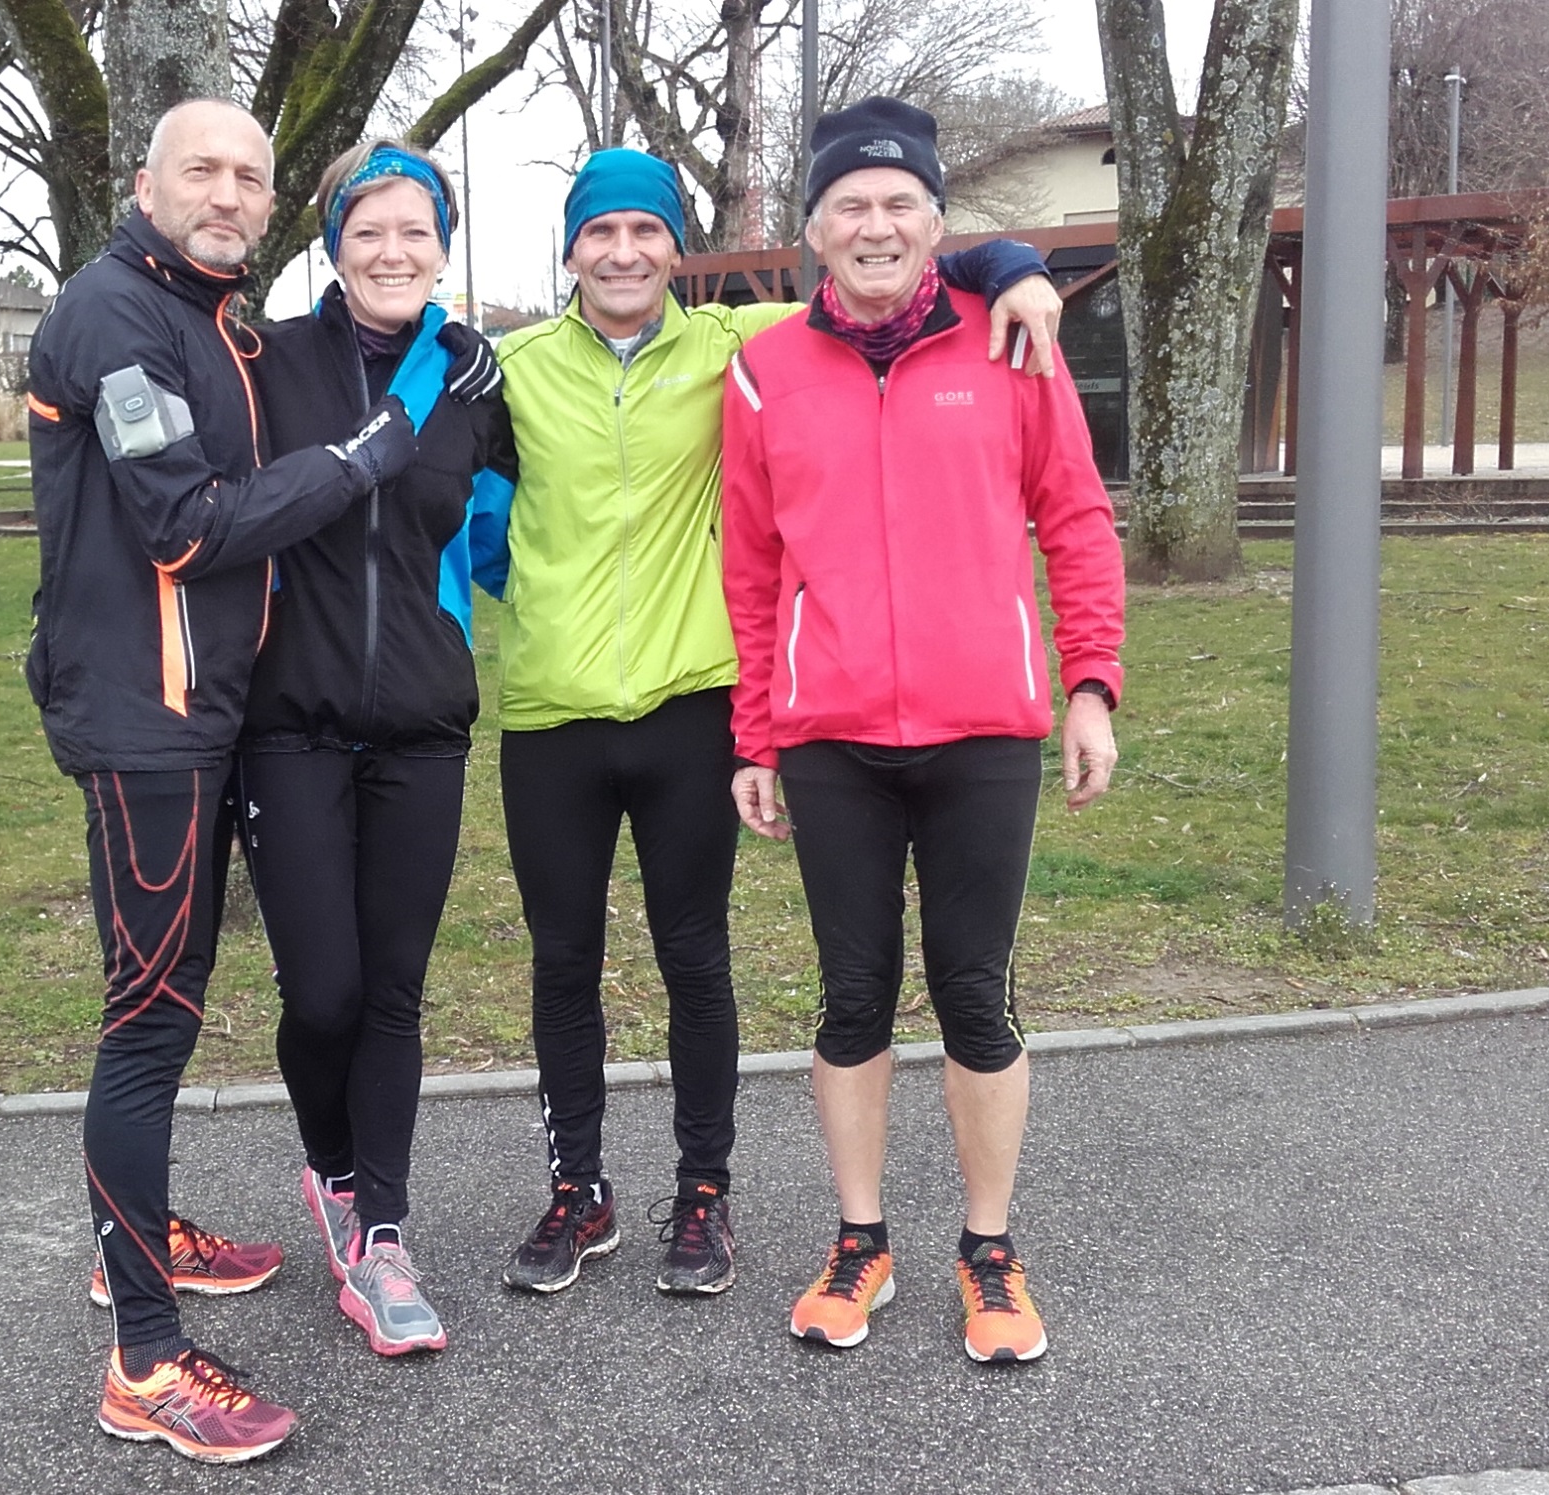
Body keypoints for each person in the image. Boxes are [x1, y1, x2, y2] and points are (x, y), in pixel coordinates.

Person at [473, 147, 1066, 1298]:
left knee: (696, 954)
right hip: (552, 709)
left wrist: (1015, 266)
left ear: (677, 251)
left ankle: (704, 1195)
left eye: (647, 231)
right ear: (570, 251)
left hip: (694, 697)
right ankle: (576, 1189)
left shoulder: (738, 347)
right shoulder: (511, 366)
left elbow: (888, 270)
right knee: (563, 961)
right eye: (601, 233)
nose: (624, 251)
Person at [23, 99, 425, 1465]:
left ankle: (138, 1236)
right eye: (202, 168)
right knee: (144, 1025)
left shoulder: (203, 315)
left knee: (174, 1000)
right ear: (144, 181)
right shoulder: (115, 318)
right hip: (150, 726)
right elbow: (187, 528)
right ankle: (141, 1354)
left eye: (250, 177)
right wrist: (363, 453)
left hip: (205, 721)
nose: (228, 193)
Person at [719, 97, 1126, 1361]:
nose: (876, 225)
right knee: (852, 998)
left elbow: (1076, 519)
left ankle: (989, 1253)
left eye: (901, 205)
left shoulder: (1010, 342)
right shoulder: (765, 370)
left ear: (937, 226)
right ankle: (861, 1241)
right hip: (832, 735)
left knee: (975, 997)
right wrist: (755, 732)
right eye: (850, 205)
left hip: (981, 732)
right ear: (815, 232)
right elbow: (751, 562)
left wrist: (1090, 684)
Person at [235, 138, 510, 1357]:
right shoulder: (271, 365)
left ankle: (380, 1233)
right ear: (334, 245)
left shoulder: (473, 382)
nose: (393, 252)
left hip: (422, 731)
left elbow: (495, 538)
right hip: (287, 726)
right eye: (369, 230)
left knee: (392, 993)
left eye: (417, 232)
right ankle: (330, 1166)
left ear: (443, 247)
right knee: (323, 991)